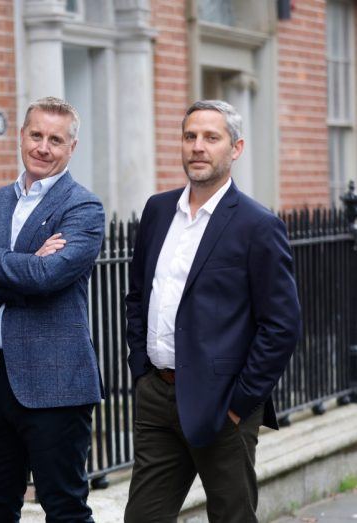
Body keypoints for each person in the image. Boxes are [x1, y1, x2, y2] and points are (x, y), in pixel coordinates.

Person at [123, 100, 301, 522]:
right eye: (190, 137)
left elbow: (281, 325)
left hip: (224, 405)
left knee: (231, 517)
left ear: (235, 148)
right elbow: (137, 297)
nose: (197, 147)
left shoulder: (258, 225)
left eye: (211, 137)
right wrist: (141, 369)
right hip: (158, 396)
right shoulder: (158, 210)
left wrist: (239, 402)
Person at [0, 96, 105, 522]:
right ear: (22, 136)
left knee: (63, 506)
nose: (43, 147)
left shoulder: (83, 207)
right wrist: (24, 264)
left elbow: (48, 277)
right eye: (36, 135)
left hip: (55, 382)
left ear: (71, 147)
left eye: (55, 140)